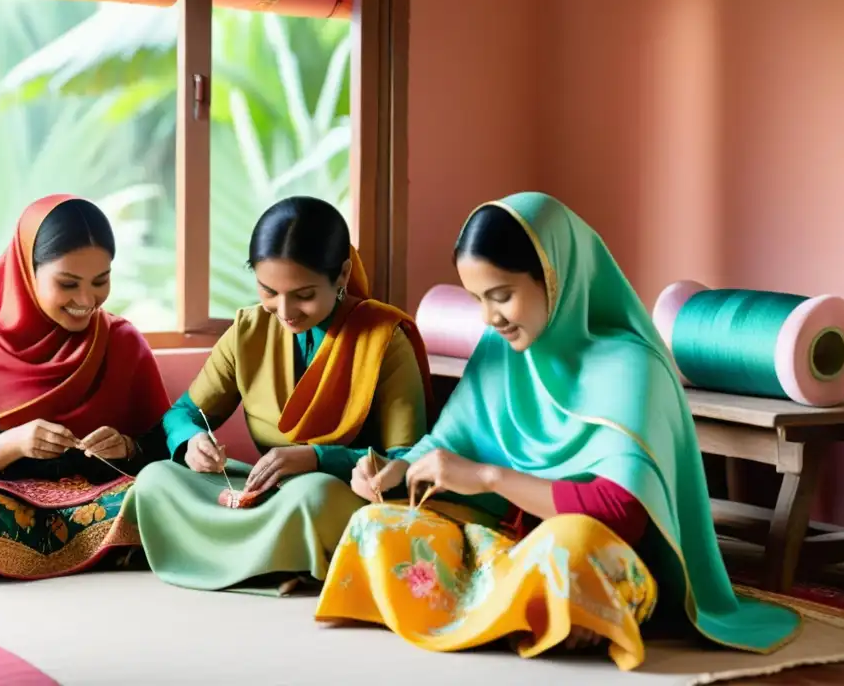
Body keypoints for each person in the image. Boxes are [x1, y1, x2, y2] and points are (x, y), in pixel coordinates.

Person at [315, 192, 800, 670]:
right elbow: (447, 443)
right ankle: (528, 612)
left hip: (597, 551)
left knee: (571, 548)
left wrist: (487, 478)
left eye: (502, 296)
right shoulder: (501, 350)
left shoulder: (632, 366)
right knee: (375, 525)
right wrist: (395, 469)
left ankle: (539, 607)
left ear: (555, 276)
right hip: (509, 544)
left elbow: (622, 512)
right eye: (477, 299)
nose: (490, 317)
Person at [121, 196, 432, 593]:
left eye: (303, 294)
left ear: (341, 275)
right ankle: (272, 561)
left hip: (335, 493)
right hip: (266, 492)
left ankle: (225, 554)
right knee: (156, 478)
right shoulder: (249, 330)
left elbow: (407, 461)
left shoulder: (383, 339)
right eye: (269, 291)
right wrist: (192, 440)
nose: (285, 311)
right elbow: (183, 413)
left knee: (312, 495)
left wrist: (318, 458)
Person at [0, 195, 172, 582]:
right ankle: (106, 552)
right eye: (67, 283)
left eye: (101, 281)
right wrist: (12, 444)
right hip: (7, 503)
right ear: (28, 271)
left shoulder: (123, 341)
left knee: (159, 495)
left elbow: (167, 450)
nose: (86, 300)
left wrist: (127, 447)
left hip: (98, 502)